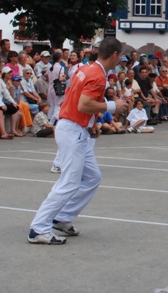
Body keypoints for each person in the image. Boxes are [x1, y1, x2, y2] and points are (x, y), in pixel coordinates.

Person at [27, 37, 128, 245]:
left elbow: (76, 100)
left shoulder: (88, 69)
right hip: (72, 130)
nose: (120, 60)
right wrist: (113, 106)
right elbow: (84, 104)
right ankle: (39, 228)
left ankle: (61, 218)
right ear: (115, 55)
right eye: (120, 56)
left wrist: (91, 124)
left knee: (92, 177)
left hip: (75, 127)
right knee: (69, 182)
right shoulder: (98, 75)